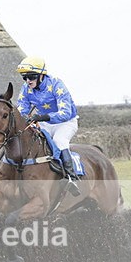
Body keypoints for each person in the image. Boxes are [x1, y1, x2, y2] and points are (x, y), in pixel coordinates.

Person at [15, 56, 81, 196]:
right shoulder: (26, 89)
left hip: (65, 122)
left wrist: (42, 117)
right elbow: (22, 109)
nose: (28, 81)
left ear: (41, 75)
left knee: (59, 141)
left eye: (31, 76)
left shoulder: (56, 84)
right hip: (44, 123)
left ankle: (70, 177)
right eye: (24, 77)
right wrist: (25, 119)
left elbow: (65, 112)